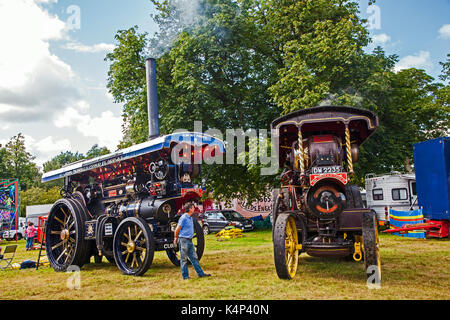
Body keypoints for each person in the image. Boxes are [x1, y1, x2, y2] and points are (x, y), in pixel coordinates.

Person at [173, 202, 211, 280]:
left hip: (189, 241)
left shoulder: (190, 218)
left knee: (194, 258)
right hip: (183, 240)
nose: (194, 209)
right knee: (184, 259)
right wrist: (176, 238)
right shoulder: (183, 218)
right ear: (190, 209)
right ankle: (185, 276)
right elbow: (177, 230)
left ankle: (200, 274)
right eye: (193, 208)